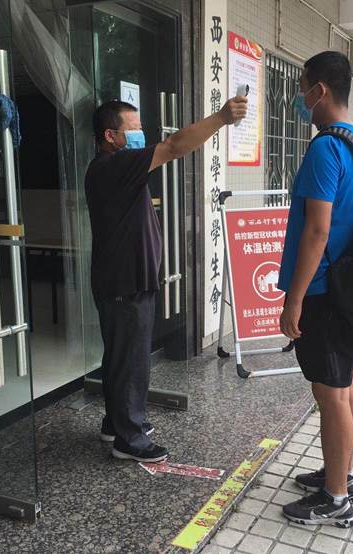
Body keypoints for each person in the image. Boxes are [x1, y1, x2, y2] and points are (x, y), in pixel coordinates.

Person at [85, 95, 247, 463]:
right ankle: (129, 439)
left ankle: (116, 422)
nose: (141, 135)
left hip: (122, 280)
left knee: (121, 355)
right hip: (125, 283)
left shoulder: (112, 167)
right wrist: (221, 118)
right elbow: (173, 147)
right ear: (110, 135)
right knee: (131, 359)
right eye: (134, 129)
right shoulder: (114, 165)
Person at [278, 51, 353, 528]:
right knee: (346, 382)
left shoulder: (324, 148)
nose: (300, 97)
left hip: (323, 293)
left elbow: (317, 231)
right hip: (348, 289)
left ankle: (336, 499)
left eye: (302, 88)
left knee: (330, 393)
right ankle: (341, 474)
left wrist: (293, 299)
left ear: (321, 90)